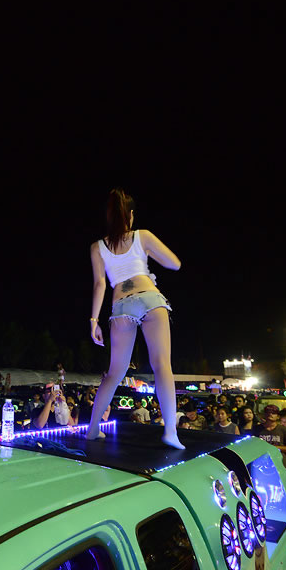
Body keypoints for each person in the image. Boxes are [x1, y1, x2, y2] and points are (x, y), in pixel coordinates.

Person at [86, 188, 183, 448]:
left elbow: (99, 285)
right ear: (130, 215)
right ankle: (170, 432)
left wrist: (94, 322)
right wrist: (147, 254)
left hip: (121, 305)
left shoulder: (97, 247)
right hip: (151, 298)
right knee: (162, 365)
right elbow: (175, 263)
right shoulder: (143, 236)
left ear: (109, 217)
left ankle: (93, 429)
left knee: (115, 373)